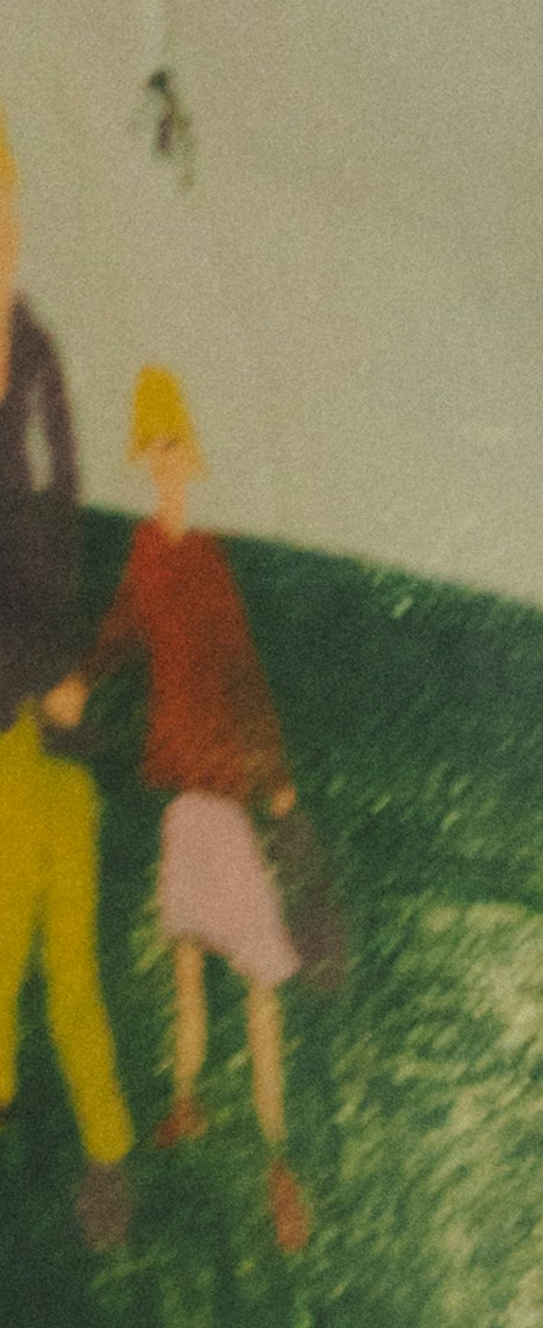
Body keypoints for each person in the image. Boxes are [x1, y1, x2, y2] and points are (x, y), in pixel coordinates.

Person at [78, 365, 311, 1251]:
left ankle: (278, 1157)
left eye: (175, 449)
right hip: (184, 788)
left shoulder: (208, 559)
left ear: (191, 457)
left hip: (223, 784)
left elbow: (244, 669)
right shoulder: (146, 552)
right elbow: (120, 631)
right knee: (185, 957)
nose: (164, 464)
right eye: (154, 451)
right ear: (145, 461)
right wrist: (77, 681)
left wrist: (277, 777)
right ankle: (185, 1102)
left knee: (257, 977)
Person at [0, 110, 137, 1246]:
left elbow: (60, 521)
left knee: (71, 968)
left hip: (52, 723)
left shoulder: (35, 358)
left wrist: (64, 674)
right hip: (14, 713)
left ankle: (107, 1158)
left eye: (6, 216)